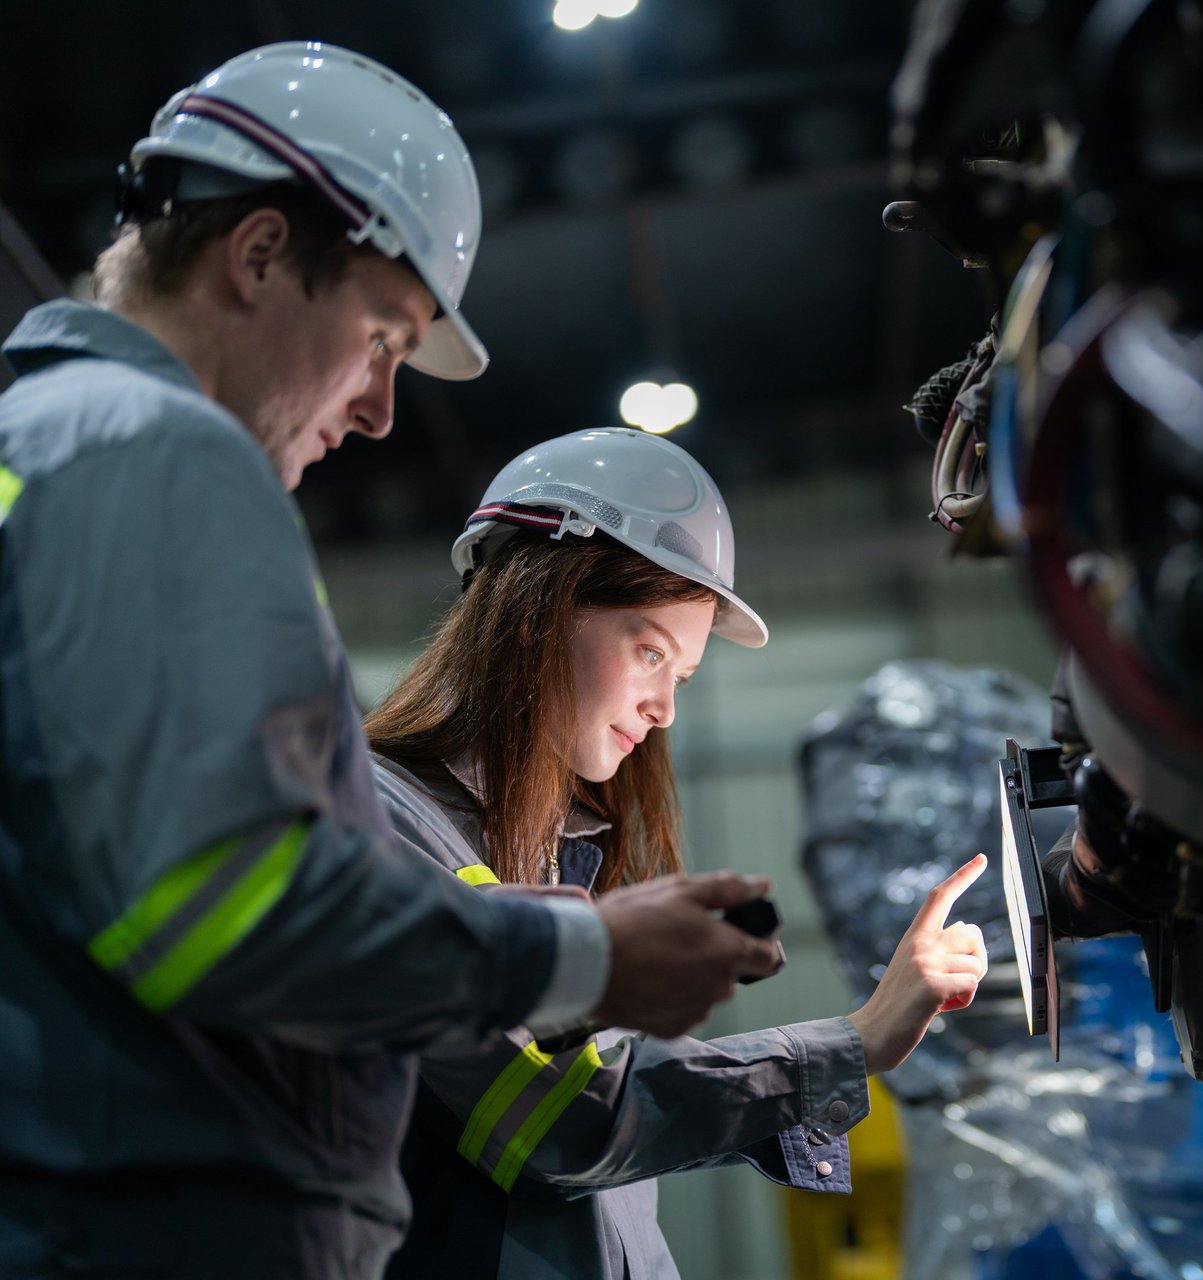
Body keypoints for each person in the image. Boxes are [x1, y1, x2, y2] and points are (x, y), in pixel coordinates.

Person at [0, 44, 779, 1278]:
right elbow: (223, 905)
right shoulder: (156, 455)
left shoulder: (41, 451)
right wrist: (589, 956)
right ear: (257, 256)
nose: (380, 410)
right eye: (382, 338)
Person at [365, 426, 990, 1279]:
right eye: (649, 649)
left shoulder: (560, 862)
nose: (663, 708)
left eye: (681, 676)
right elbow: (567, 1121)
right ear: (538, 605)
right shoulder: (379, 821)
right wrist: (858, 1040)